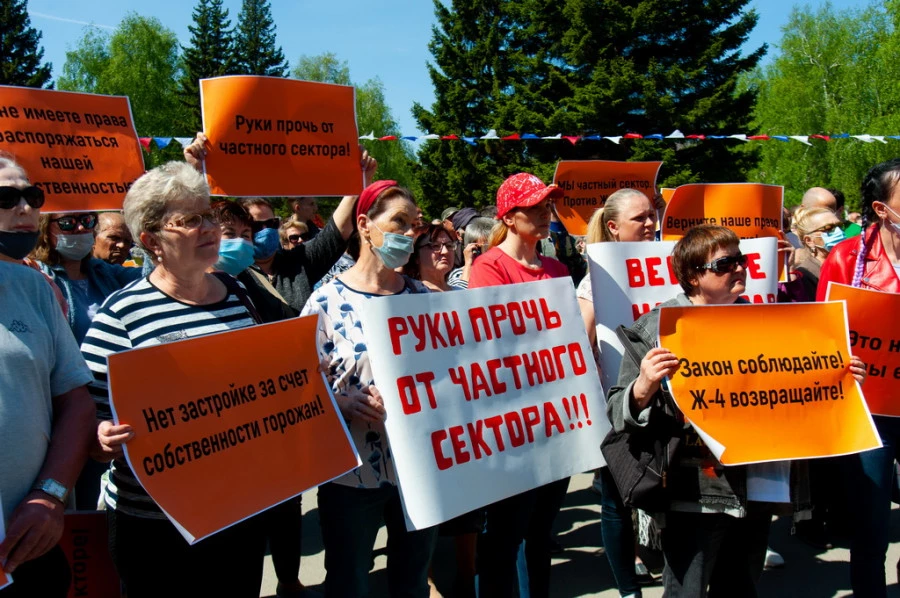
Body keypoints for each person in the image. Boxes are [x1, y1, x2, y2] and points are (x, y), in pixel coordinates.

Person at [608, 224, 865, 597]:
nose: (739, 268)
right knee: (686, 591)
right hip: (693, 492)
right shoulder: (659, 330)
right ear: (693, 277)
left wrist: (837, 375)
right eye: (725, 263)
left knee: (741, 587)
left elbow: (791, 387)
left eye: (741, 260)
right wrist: (644, 384)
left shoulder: (763, 322)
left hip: (755, 482)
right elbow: (618, 411)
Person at [80, 162, 267, 598]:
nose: (208, 228)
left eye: (208, 216)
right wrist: (101, 435)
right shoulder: (120, 316)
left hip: (239, 513)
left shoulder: (239, 294)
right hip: (155, 527)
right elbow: (87, 424)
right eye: (188, 220)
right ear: (150, 241)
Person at [300, 180, 437, 597]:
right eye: (398, 221)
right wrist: (341, 402)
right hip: (351, 474)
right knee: (350, 581)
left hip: (420, 469)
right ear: (364, 224)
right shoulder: (324, 302)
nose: (409, 234)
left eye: (414, 225)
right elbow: (298, 388)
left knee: (412, 580)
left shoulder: (422, 298)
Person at [468, 173, 571, 598]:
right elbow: (491, 341)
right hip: (512, 420)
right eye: (535, 207)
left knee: (541, 531)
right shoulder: (488, 266)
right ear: (509, 217)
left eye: (547, 205)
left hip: (557, 416)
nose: (545, 213)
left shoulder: (557, 267)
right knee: (507, 533)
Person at [0, 156, 96, 597]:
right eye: (6, 198)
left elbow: (76, 400)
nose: (25, 210)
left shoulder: (35, 288)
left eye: (32, 197)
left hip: (28, 542)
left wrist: (49, 495)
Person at [817, 158, 900, 596]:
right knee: (870, 525)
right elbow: (821, 335)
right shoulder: (848, 258)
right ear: (882, 209)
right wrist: (842, 362)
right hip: (871, 410)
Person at [183, 135, 375, 312]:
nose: (266, 230)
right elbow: (191, 226)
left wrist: (360, 181)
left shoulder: (299, 262)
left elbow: (337, 229)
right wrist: (196, 172)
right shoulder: (228, 270)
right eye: (256, 227)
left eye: (272, 223)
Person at [577, 188, 660, 596]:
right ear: (613, 228)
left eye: (652, 215)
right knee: (616, 501)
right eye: (639, 219)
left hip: (667, 403)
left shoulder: (667, 264)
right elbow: (578, 340)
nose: (650, 224)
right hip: (620, 405)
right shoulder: (596, 279)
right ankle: (628, 588)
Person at [31, 212, 142, 345]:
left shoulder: (104, 272)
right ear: (45, 230)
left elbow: (154, 276)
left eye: (87, 220)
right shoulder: (37, 276)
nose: (81, 228)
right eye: (67, 223)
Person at [403, 223, 457, 292]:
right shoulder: (408, 295)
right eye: (435, 246)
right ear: (416, 255)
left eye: (449, 246)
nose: (445, 251)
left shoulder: (462, 293)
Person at [447, 216, 493, 289]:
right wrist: (468, 264)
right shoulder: (458, 274)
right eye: (483, 247)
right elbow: (461, 295)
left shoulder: (502, 268)